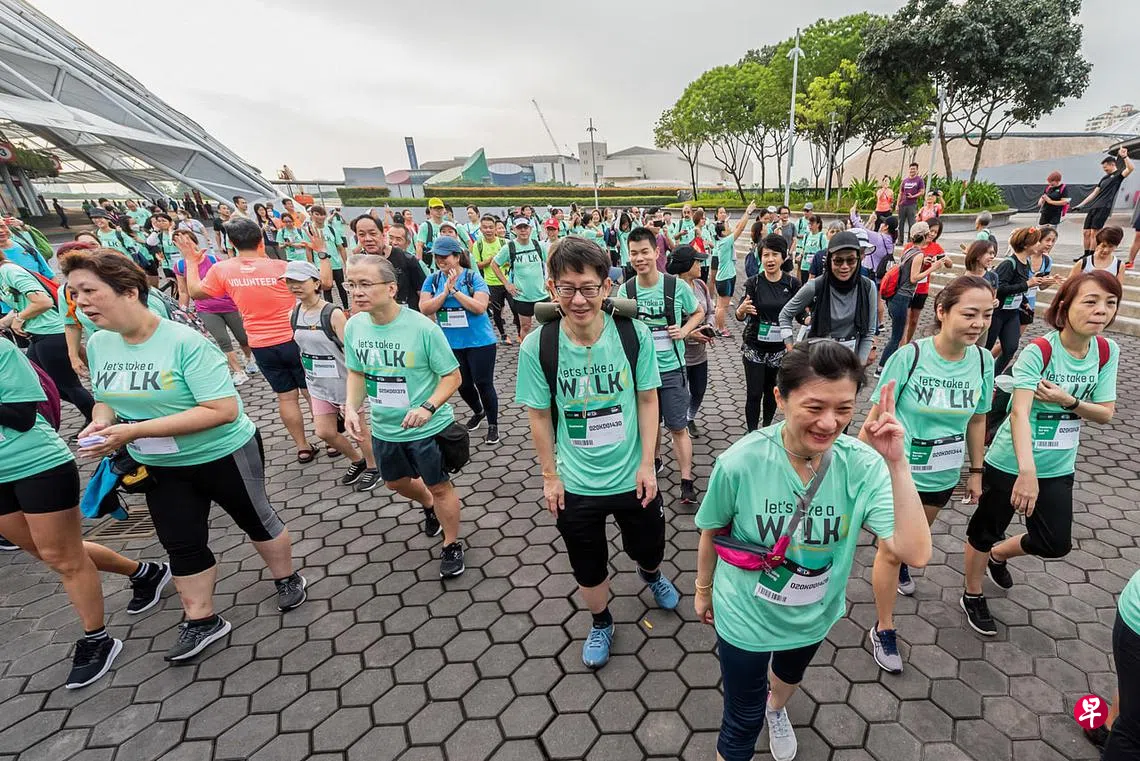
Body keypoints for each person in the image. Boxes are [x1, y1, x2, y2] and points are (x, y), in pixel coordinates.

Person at [64, 249, 306, 662]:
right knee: (180, 540)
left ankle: (286, 577)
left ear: (129, 291)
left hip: (222, 452)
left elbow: (222, 410)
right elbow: (105, 398)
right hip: (160, 463)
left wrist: (134, 430)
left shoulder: (184, 342)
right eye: (74, 294)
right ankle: (201, 619)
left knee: (256, 518)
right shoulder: (101, 344)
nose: (80, 303)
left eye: (89, 291)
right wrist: (101, 423)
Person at [694, 340, 931, 761]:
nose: (829, 423)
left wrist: (897, 463)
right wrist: (702, 589)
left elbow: (915, 552)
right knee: (741, 720)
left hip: (813, 613)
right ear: (780, 398)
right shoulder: (740, 461)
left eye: (844, 409)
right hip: (745, 612)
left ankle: (776, 709)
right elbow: (712, 530)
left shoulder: (861, 464)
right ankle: (757, 715)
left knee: (788, 675)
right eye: (815, 407)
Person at [515, 236, 677, 669]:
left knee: (650, 547)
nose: (578, 299)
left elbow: (648, 399)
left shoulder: (633, 334)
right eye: (567, 288)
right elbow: (539, 416)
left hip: (632, 476)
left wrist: (648, 463)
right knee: (588, 565)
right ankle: (601, 621)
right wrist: (550, 476)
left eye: (588, 288)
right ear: (552, 288)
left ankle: (650, 574)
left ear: (607, 287)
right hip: (576, 483)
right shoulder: (539, 345)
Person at [0, 337, 171, 687]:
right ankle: (145, 573)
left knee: (62, 557)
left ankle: (97, 639)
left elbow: (21, 417)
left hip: (34, 465)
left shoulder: (2, 351)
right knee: (49, 552)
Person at [962, 270, 1119, 636]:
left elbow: (1105, 413)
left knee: (1054, 542)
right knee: (984, 531)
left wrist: (1069, 400)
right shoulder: (1040, 351)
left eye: (1110, 303)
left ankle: (1000, 555)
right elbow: (1019, 412)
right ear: (1064, 307)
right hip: (1010, 462)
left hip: (1059, 465)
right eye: (1091, 301)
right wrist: (1026, 472)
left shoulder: (1107, 352)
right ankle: (972, 593)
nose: (1101, 311)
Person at [862, 275, 995, 674]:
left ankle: (902, 562)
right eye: (969, 314)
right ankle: (884, 627)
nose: (979, 323)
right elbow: (875, 417)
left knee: (913, 541)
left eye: (987, 314)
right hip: (896, 472)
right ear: (942, 311)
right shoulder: (911, 357)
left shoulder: (983, 361)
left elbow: (977, 418)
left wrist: (976, 470)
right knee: (890, 549)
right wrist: (854, 471)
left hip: (942, 474)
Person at [343, 253, 465, 575]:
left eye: (365, 284)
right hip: (385, 429)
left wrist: (428, 407)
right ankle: (428, 505)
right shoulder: (354, 326)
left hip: (427, 428)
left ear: (391, 288)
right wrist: (351, 407)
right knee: (394, 483)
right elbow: (357, 372)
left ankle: (451, 543)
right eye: (351, 285)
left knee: (440, 486)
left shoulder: (422, 328)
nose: (357, 292)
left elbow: (452, 376)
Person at [182, 218, 318, 462]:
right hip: (294, 339)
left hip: (261, 344)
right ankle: (330, 439)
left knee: (286, 397)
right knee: (311, 393)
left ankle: (303, 446)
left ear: (232, 243)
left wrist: (191, 262)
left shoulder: (222, 269)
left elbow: (195, 292)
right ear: (261, 240)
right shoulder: (282, 267)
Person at [285, 259, 376, 482]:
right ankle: (357, 461)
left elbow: (351, 351)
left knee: (359, 430)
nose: (294, 286)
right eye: (289, 281)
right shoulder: (293, 313)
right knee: (324, 432)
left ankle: (374, 467)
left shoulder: (332, 313)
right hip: (317, 385)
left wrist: (359, 383)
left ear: (316, 283)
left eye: (300, 281)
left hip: (343, 383)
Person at [419, 236, 501, 446]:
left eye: (444, 256)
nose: (440, 260)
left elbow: (480, 307)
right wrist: (444, 292)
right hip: (450, 344)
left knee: (483, 383)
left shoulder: (473, 278)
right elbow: (425, 308)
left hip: (479, 342)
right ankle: (478, 411)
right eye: (437, 257)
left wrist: (455, 291)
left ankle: (493, 425)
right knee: (462, 384)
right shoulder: (433, 280)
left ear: (456, 257)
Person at [0, 248, 95, 422]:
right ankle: (94, 415)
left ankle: (97, 419)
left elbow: (43, 301)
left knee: (68, 386)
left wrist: (20, 318)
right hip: (37, 335)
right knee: (44, 384)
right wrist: (8, 321)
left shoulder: (9, 271)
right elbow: (21, 305)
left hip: (52, 333)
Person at [780, 231, 879, 366]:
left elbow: (868, 332)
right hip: (818, 362)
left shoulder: (868, 287)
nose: (844, 266)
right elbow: (785, 314)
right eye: (838, 261)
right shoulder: (815, 286)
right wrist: (790, 349)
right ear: (829, 260)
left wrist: (858, 368)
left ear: (858, 259)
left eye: (851, 260)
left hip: (850, 362)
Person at [171, 231, 256, 385]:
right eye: (180, 242)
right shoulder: (180, 266)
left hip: (228, 304)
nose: (185, 244)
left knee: (243, 338)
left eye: (188, 240)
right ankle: (238, 371)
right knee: (223, 340)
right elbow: (183, 291)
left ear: (195, 242)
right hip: (206, 309)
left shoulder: (212, 259)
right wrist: (182, 311)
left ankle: (249, 359)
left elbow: (227, 281)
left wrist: (240, 302)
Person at [738, 234, 800, 431]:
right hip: (754, 347)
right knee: (754, 393)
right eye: (766, 255)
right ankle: (752, 433)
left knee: (772, 392)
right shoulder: (754, 283)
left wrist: (809, 318)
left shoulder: (792, 284)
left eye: (774, 254)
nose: (770, 259)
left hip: (779, 350)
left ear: (783, 256)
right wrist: (741, 311)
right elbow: (741, 312)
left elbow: (800, 314)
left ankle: (766, 428)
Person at [876, 222, 949, 374]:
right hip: (902, 297)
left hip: (895, 295)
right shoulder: (919, 254)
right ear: (924, 235)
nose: (930, 235)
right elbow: (914, 278)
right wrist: (932, 268)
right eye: (928, 233)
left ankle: (892, 363)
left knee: (898, 332)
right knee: (896, 336)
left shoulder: (911, 250)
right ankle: (881, 368)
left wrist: (923, 262)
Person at [669, 246, 715, 441]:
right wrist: (690, 334)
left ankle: (690, 417)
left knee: (699, 390)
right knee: (680, 393)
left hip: (700, 354)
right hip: (678, 354)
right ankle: (680, 425)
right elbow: (669, 324)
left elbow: (710, 311)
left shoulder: (701, 285)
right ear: (686, 265)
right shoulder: (671, 289)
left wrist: (709, 327)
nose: (700, 265)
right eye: (697, 262)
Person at [986, 227, 1047, 375]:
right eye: (1036, 242)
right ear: (1026, 245)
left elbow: (1019, 287)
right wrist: (1027, 284)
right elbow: (1000, 288)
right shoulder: (1009, 264)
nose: (1039, 244)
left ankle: (993, 376)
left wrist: (1024, 301)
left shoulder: (1026, 262)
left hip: (1012, 312)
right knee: (986, 348)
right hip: (998, 312)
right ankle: (977, 374)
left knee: (1011, 347)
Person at [489, 217, 549, 341]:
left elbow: (551, 262)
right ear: (514, 230)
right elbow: (494, 264)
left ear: (530, 228)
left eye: (525, 227)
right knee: (525, 326)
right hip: (522, 296)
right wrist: (506, 283)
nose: (523, 230)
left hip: (542, 294)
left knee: (548, 326)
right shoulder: (509, 247)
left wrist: (550, 279)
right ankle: (524, 350)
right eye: (519, 228)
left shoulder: (538, 245)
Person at [352, 215, 425, 312]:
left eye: (373, 233)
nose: (368, 239)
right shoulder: (359, 264)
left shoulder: (406, 259)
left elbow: (423, 293)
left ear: (382, 234)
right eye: (362, 235)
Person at [1074, 148, 1133, 257]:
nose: (1104, 169)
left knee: (1094, 233)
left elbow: (1130, 168)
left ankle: (1091, 256)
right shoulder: (1104, 178)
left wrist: (1124, 156)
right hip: (1094, 206)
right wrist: (1081, 205)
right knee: (1086, 232)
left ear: (1112, 164)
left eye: (1105, 167)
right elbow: (1094, 193)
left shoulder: (1118, 175)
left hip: (1104, 207)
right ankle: (1085, 255)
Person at [709, 202, 756, 337]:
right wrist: (747, 212)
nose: (729, 228)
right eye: (727, 227)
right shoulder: (725, 241)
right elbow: (740, 228)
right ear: (723, 232)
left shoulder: (721, 240)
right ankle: (721, 329)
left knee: (720, 305)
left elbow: (737, 227)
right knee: (722, 306)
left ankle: (718, 327)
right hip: (726, 278)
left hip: (723, 277)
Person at [470, 214, 519, 344]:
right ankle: (503, 335)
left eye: (491, 227)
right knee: (497, 311)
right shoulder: (478, 245)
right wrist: (491, 260)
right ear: (481, 229)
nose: (488, 230)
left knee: (515, 308)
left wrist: (504, 261)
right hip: (491, 283)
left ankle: (520, 333)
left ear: (495, 229)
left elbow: (512, 260)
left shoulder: (504, 243)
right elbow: (477, 265)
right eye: (485, 227)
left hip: (508, 281)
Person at [903, 218, 947, 346]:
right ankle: (902, 345)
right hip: (908, 287)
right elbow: (904, 265)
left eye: (936, 232)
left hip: (922, 289)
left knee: (914, 320)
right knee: (905, 320)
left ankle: (907, 343)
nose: (932, 234)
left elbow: (948, 263)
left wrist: (942, 260)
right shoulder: (911, 246)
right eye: (931, 231)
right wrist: (922, 261)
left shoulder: (936, 247)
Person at [306, 206, 348, 306]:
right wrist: (311, 264)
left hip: (336, 264)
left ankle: (346, 309)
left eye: (323, 214)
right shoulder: (309, 231)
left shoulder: (331, 229)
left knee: (342, 288)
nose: (320, 217)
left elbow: (341, 248)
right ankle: (330, 310)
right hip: (321, 265)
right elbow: (308, 249)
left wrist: (346, 263)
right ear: (311, 215)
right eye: (317, 214)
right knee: (327, 289)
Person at [896, 162, 925, 240]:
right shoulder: (905, 181)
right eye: (911, 169)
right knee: (900, 223)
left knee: (912, 224)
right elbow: (900, 193)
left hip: (912, 205)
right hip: (902, 204)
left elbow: (922, 192)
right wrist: (897, 205)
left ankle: (911, 240)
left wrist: (913, 196)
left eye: (914, 169)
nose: (912, 170)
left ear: (917, 170)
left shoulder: (919, 180)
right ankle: (900, 240)